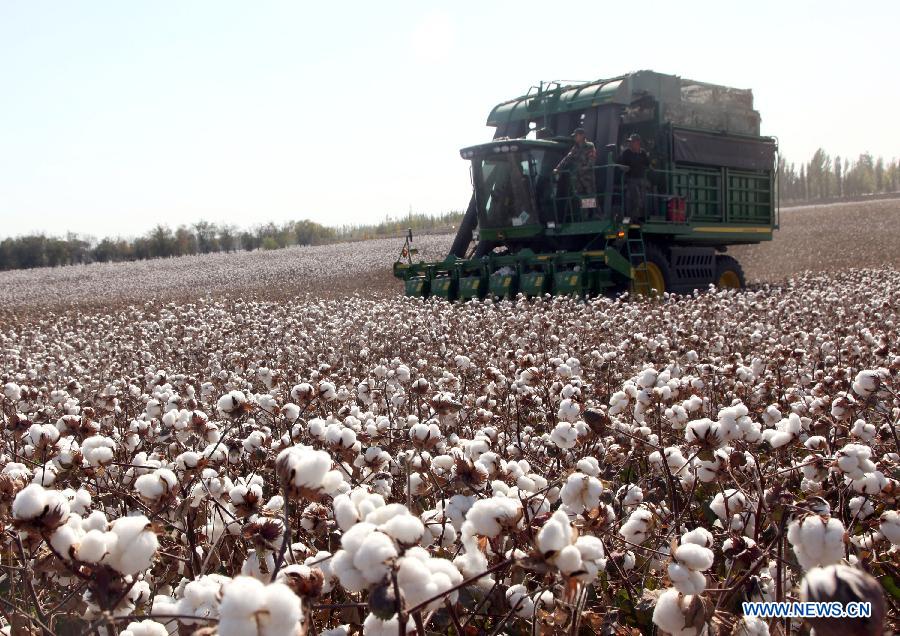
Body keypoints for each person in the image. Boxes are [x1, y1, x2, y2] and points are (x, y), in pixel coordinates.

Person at [554, 128, 597, 198]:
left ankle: (594, 209)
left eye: (576, 135)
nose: (574, 137)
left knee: (590, 199)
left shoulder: (589, 146)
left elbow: (592, 161)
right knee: (582, 200)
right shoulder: (575, 148)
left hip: (587, 179)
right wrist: (557, 168)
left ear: (582, 136)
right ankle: (585, 208)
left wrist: (583, 169)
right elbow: (567, 158)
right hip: (578, 180)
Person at [617, 133, 652, 221]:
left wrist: (651, 168)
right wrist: (624, 168)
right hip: (630, 179)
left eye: (632, 142)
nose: (630, 144)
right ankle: (633, 219)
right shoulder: (626, 153)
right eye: (629, 142)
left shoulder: (643, 152)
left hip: (642, 179)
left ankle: (641, 217)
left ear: (638, 142)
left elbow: (648, 164)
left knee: (643, 200)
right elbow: (619, 165)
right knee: (636, 199)